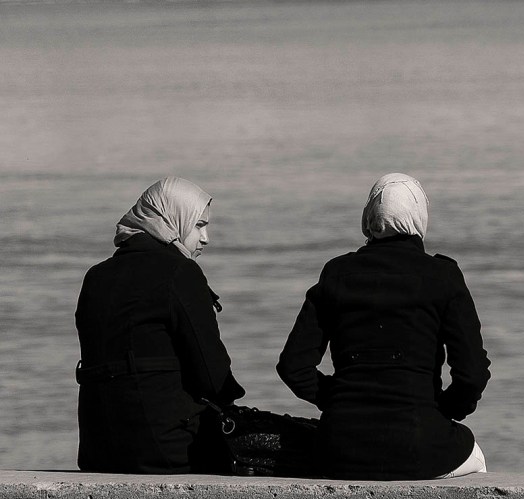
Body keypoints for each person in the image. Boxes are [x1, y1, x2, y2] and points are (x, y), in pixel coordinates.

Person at [277, 173, 491, 480]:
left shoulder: (336, 274)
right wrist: (443, 411)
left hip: (339, 449)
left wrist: (338, 399)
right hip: (420, 444)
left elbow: (293, 366)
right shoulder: (442, 276)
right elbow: (472, 374)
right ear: (419, 218)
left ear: (368, 221)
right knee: (477, 460)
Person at [75, 176, 245, 474]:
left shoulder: (95, 276)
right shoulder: (180, 273)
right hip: (167, 449)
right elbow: (212, 373)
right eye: (199, 225)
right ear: (173, 219)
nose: (206, 238)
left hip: (97, 449)